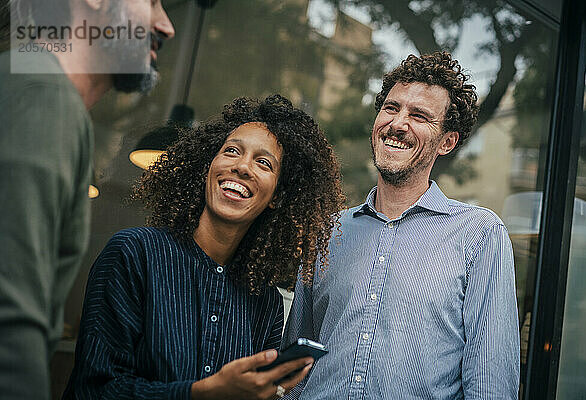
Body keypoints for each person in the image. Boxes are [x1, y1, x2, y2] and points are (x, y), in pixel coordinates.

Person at [62, 94, 346, 399]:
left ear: (277, 196)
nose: (242, 166)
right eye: (232, 151)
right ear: (208, 167)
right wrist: (202, 393)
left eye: (263, 163)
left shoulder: (264, 302)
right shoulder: (135, 254)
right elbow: (94, 389)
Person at [283, 52, 520, 399]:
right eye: (391, 108)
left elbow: (490, 383)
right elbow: (295, 365)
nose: (398, 124)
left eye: (419, 115)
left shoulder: (480, 235)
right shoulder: (329, 230)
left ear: (447, 141)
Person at [0, 0, 174, 398]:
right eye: (151, 2)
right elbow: (9, 322)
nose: (166, 26)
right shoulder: (42, 98)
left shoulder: (28, 86)